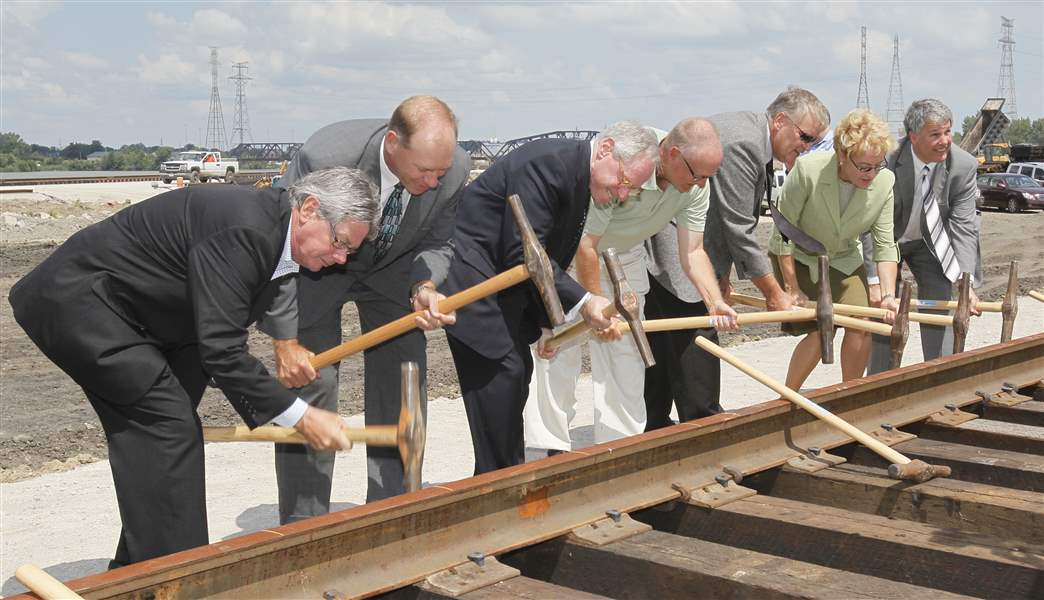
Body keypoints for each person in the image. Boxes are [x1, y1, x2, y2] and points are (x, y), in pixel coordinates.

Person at [9, 168, 379, 567]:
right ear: (309, 208)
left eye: (349, 252)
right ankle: (177, 579)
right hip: (82, 305)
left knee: (162, 441)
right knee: (168, 429)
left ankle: (138, 572)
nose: (340, 257)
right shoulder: (246, 229)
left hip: (150, 319)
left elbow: (218, 333)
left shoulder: (275, 235)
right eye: (339, 242)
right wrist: (302, 417)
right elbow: (223, 349)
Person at [258, 96, 471, 523]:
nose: (432, 181)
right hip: (319, 266)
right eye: (423, 171)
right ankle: (305, 521)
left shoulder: (454, 168)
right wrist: (285, 340)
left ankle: (392, 508)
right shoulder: (325, 156)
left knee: (404, 378)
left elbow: (441, 241)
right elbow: (279, 244)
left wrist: (426, 284)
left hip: (396, 269)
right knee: (312, 381)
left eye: (440, 173)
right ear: (393, 144)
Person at [442, 121, 658, 474]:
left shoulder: (576, 174)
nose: (622, 195)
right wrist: (587, 301)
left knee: (515, 374)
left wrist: (544, 324)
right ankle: (498, 482)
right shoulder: (547, 165)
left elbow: (548, 252)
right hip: (471, 277)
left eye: (630, 190)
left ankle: (502, 478)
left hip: (505, 284)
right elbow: (525, 253)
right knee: (503, 376)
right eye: (624, 182)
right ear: (606, 150)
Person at [523, 118, 737, 453]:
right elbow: (586, 246)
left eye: (707, 178)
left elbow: (693, 252)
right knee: (558, 353)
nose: (699, 185)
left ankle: (621, 449)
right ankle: (546, 452)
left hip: (626, 257)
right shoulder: (632, 159)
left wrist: (714, 303)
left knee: (626, 356)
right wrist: (593, 305)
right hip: (569, 254)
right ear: (673, 153)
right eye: (696, 175)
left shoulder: (696, 183)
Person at [644, 87, 831, 428]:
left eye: (814, 141)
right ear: (779, 121)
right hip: (674, 247)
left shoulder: (753, 136)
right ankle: (703, 427)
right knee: (696, 337)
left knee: (662, 344)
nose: (805, 146)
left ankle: (653, 426)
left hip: (682, 243)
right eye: (804, 136)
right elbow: (739, 228)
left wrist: (722, 273)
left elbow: (720, 214)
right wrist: (775, 295)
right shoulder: (745, 143)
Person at [768, 109, 900, 389]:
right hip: (797, 257)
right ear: (842, 155)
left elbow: (885, 245)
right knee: (821, 327)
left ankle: (849, 394)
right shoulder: (808, 170)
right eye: (864, 167)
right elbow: (783, 235)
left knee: (862, 323)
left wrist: (888, 295)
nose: (872, 174)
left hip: (842, 258)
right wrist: (792, 288)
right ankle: (787, 397)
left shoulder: (885, 182)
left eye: (878, 165)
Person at [867, 99, 982, 373]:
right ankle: (880, 379)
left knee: (942, 298)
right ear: (913, 136)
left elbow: (964, 227)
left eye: (948, 132)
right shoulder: (885, 160)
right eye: (935, 135)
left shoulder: (962, 165)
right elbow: (867, 223)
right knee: (886, 309)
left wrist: (966, 283)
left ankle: (940, 374)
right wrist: (874, 280)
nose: (945, 141)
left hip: (930, 245)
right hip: (887, 241)